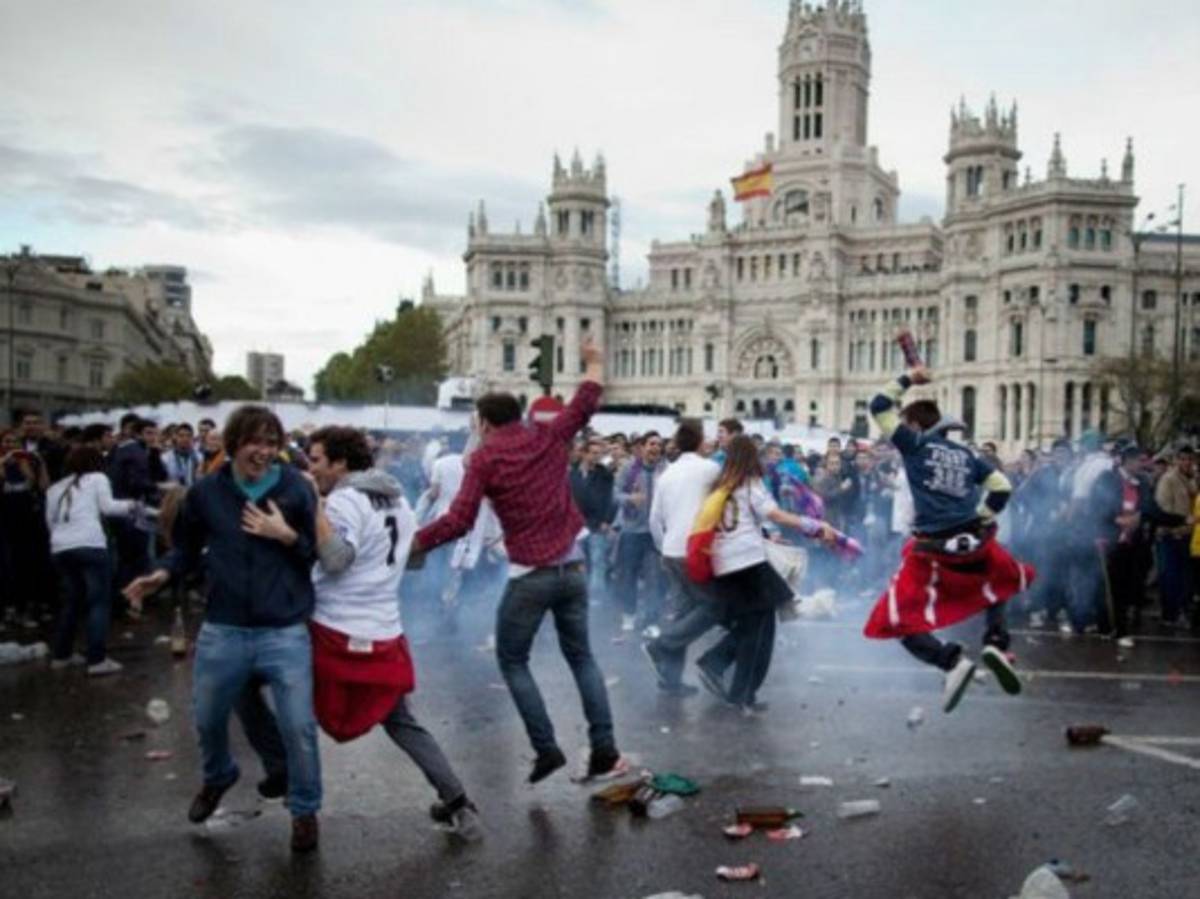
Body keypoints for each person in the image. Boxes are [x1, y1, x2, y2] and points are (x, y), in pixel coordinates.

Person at [238, 426, 481, 836]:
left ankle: (286, 782)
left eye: (316, 462)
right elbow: (410, 559)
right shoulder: (399, 501)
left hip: (331, 633)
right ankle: (459, 803)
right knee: (402, 722)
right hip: (383, 634)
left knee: (248, 683)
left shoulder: (343, 501)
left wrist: (309, 513)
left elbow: (336, 561)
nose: (311, 471)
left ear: (341, 463)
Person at [411, 338, 622, 785]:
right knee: (582, 657)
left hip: (530, 575)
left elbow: (458, 520)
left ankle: (546, 747)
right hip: (574, 568)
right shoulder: (547, 435)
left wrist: (413, 544)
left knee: (512, 659)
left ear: (483, 423)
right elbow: (585, 403)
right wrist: (594, 361)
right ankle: (604, 748)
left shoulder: (485, 458)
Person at [123, 406, 322, 853]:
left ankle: (305, 810)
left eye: (272, 442)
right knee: (208, 719)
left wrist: (285, 535)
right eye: (256, 442)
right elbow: (186, 551)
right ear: (234, 444)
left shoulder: (294, 489)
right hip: (225, 628)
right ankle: (219, 776)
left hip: (284, 629)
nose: (265, 451)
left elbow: (315, 554)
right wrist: (160, 575)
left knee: (299, 726)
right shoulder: (208, 492)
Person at [863, 366, 1030, 713]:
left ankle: (950, 662)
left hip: (932, 545)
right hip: (974, 538)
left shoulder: (915, 445)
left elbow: (879, 405)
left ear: (914, 426)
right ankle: (997, 643)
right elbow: (1002, 487)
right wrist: (982, 517)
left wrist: (908, 377)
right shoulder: (969, 455)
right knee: (999, 581)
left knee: (893, 617)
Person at [693, 435, 836, 712]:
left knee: (761, 625)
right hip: (748, 563)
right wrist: (814, 525)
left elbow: (738, 523)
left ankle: (735, 681)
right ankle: (737, 690)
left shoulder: (718, 487)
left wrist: (766, 536)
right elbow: (776, 514)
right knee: (755, 630)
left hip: (726, 564)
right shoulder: (749, 485)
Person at [643, 419, 722, 694]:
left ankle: (670, 679)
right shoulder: (710, 469)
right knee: (714, 607)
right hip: (694, 551)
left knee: (682, 613)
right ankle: (660, 645)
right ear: (700, 442)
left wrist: (665, 547)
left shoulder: (666, 474)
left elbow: (654, 519)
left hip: (671, 550)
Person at [45, 446, 137, 675]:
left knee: (73, 601)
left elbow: (50, 522)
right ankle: (97, 660)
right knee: (99, 602)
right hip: (90, 545)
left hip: (60, 548)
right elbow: (108, 508)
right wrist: (132, 505)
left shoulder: (54, 488)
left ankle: (61, 655)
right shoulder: (97, 478)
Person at [613, 431, 665, 631]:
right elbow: (614, 493)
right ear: (642, 447)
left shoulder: (666, 470)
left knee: (655, 578)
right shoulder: (629, 468)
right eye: (652, 444)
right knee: (628, 576)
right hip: (632, 532)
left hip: (655, 533)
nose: (656, 448)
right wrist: (629, 499)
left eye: (659, 445)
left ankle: (651, 620)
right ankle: (629, 615)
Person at [1154, 445, 1197, 629]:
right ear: (1176, 460)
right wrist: (1176, 528)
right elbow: (1163, 510)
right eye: (1183, 459)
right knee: (1170, 577)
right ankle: (1169, 616)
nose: (1187, 462)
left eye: (1189, 459)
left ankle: (1178, 612)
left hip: (1187, 537)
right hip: (1171, 537)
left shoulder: (1192, 480)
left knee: (1183, 579)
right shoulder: (1168, 479)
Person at [570, 436, 616, 606]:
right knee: (578, 563)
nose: (596, 457)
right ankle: (579, 595)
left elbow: (610, 500)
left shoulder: (604, 474)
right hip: (576, 526)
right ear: (584, 454)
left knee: (598, 562)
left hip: (597, 525)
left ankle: (596, 598)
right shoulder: (571, 473)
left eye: (599, 453)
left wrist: (606, 520)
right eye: (593, 453)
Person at [162, 422, 202, 487]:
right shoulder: (165, 458)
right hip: (174, 493)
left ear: (192, 438)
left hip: (194, 493)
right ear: (176, 437)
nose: (185, 439)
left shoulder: (200, 457)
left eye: (188, 436)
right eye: (181, 435)